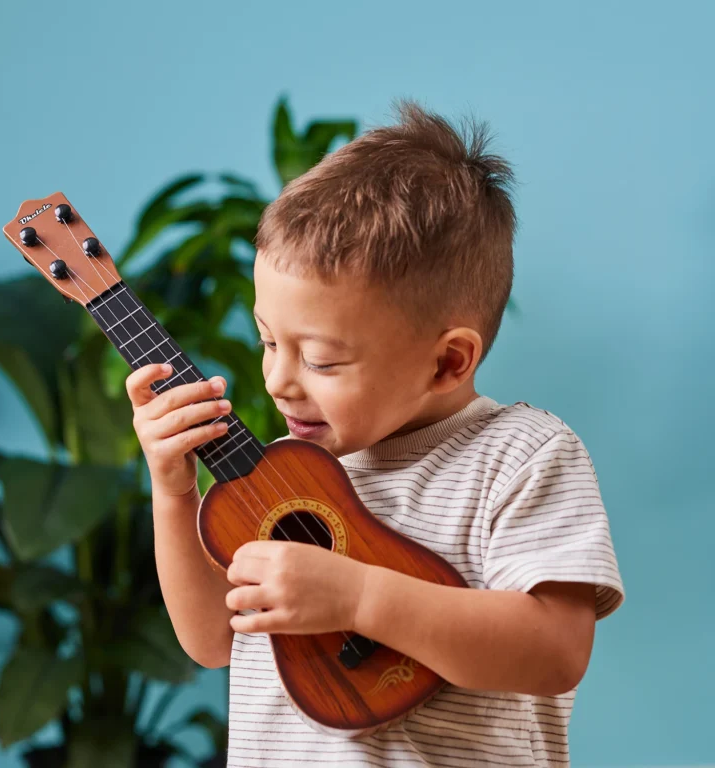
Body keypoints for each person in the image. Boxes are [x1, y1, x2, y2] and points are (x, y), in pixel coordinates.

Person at [126, 100, 624, 768]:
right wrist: (173, 492)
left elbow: (555, 652)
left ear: (448, 361)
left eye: (323, 360)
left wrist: (360, 597)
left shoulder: (522, 456)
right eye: (268, 340)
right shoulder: (283, 474)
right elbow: (214, 639)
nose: (279, 380)